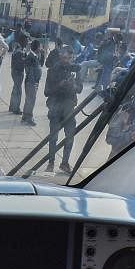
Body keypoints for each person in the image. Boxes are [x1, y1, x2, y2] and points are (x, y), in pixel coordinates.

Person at [43, 45, 80, 173]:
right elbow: (47, 92)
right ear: (60, 57)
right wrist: (60, 85)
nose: (67, 61)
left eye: (70, 58)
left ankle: (65, 163)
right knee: (53, 138)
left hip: (69, 109)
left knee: (70, 137)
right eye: (65, 58)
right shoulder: (52, 71)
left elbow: (79, 88)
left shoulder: (75, 70)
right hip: (56, 108)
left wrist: (73, 84)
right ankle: (51, 162)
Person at [20, 37, 43, 126]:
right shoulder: (31, 57)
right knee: (31, 100)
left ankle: (25, 116)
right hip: (31, 82)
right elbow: (30, 72)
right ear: (37, 48)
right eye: (40, 47)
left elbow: (40, 64)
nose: (41, 48)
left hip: (32, 82)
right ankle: (29, 117)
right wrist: (34, 83)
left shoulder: (34, 56)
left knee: (29, 100)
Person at [8, 32, 29, 114]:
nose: (27, 42)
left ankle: (12, 106)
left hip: (16, 72)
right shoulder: (19, 51)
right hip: (17, 72)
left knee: (15, 89)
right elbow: (19, 62)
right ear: (23, 41)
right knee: (18, 91)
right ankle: (16, 108)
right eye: (26, 41)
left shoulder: (19, 49)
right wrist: (26, 59)